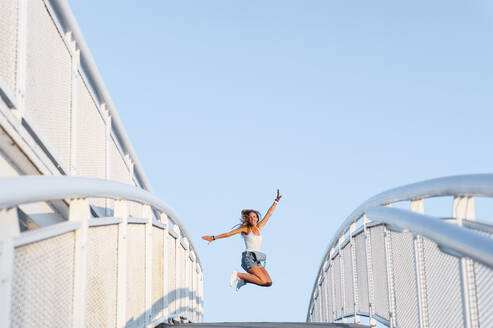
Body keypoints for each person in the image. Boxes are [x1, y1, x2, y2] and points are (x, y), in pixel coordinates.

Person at [202, 189, 282, 291]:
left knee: (268, 283)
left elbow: (269, 214)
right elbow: (228, 234)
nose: (252, 219)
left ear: (257, 218)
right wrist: (213, 238)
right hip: (248, 258)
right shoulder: (246, 229)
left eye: (254, 217)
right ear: (248, 219)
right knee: (262, 280)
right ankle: (238, 274)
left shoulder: (259, 227)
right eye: (250, 217)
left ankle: (244, 280)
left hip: (256, 259)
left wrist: (276, 201)